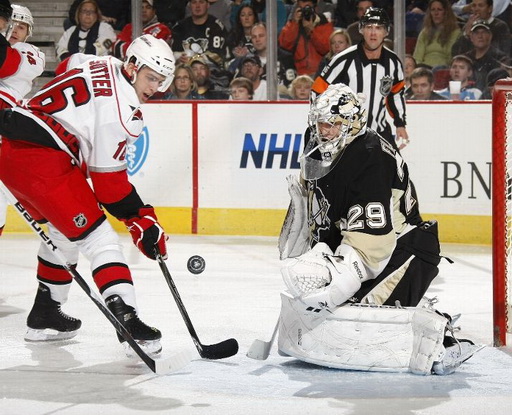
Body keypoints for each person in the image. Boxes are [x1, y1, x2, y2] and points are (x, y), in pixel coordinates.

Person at [277, 83, 478, 374]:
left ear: (351, 123)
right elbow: (326, 207)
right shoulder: (318, 143)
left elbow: (372, 244)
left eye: (332, 124)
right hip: (362, 243)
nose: (323, 131)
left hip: (403, 248)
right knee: (312, 296)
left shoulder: (369, 155)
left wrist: (340, 282)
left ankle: (441, 340)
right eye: (319, 122)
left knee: (354, 314)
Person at [0, 35, 174, 355]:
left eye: (162, 81)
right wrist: (139, 217)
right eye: (151, 77)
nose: (154, 88)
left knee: (63, 232)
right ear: (133, 67)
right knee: (100, 241)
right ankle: (128, 321)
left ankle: (45, 313)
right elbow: (109, 186)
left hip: (9, 149)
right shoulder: (124, 113)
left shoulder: (98, 62)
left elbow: (67, 65)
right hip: (44, 159)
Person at [312, 7, 410, 150]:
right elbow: (317, 90)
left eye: (378, 27)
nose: (373, 32)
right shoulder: (343, 60)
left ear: (386, 31)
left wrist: (400, 123)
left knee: (393, 170)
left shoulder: (393, 62)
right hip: (345, 135)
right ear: (361, 29)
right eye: (369, 27)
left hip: (379, 131)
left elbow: (396, 94)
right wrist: (324, 123)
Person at [0, 4, 45, 237]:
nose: (16, 29)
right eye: (12, 23)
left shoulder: (33, 53)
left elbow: (7, 66)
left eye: (22, 26)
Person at [278, 0, 333, 77]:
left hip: (320, 73)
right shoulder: (294, 23)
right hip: (299, 74)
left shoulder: (323, 21)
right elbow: (284, 44)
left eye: (308, 8)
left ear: (315, 8)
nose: (305, 12)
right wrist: (294, 23)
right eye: (301, 8)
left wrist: (311, 30)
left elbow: (326, 48)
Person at [172, 0, 228, 67]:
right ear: (189, 5)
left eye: (201, 2)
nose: (197, 6)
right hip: (185, 69)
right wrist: (178, 58)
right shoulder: (179, 27)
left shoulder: (216, 26)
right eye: (194, 2)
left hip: (210, 70)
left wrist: (194, 59)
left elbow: (217, 56)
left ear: (208, 5)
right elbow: (174, 53)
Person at [463, 19, 511, 91]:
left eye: (484, 32)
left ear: (490, 36)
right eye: (476, 33)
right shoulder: (466, 58)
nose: (480, 36)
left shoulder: (500, 58)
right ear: (471, 37)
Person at [412, 0, 461, 68]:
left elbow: (450, 58)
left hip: (443, 69)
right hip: (424, 68)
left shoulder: (455, 32)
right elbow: (417, 58)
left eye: (439, 9)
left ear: (446, 12)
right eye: (433, 10)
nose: (436, 13)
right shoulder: (424, 32)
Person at [64, 0, 131, 31]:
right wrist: (99, 17)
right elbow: (73, 11)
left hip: (112, 25)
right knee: (68, 22)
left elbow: (127, 17)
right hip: (91, 23)